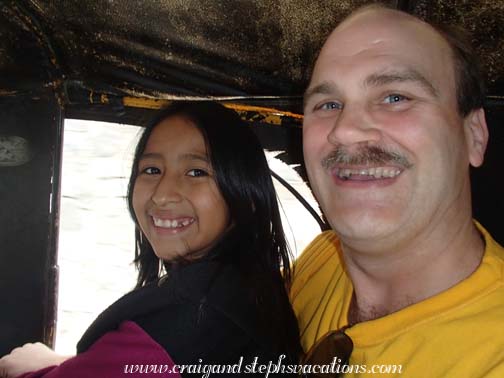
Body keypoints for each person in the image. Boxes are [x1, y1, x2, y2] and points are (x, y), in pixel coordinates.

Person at [0, 101, 301, 377]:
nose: (162, 194)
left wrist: (32, 370)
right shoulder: (250, 289)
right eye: (152, 169)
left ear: (246, 195)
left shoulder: (188, 320)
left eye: (196, 172)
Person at [290, 4, 504, 377]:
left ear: (474, 135)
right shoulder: (317, 264)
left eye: (395, 97)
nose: (344, 130)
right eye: (328, 104)